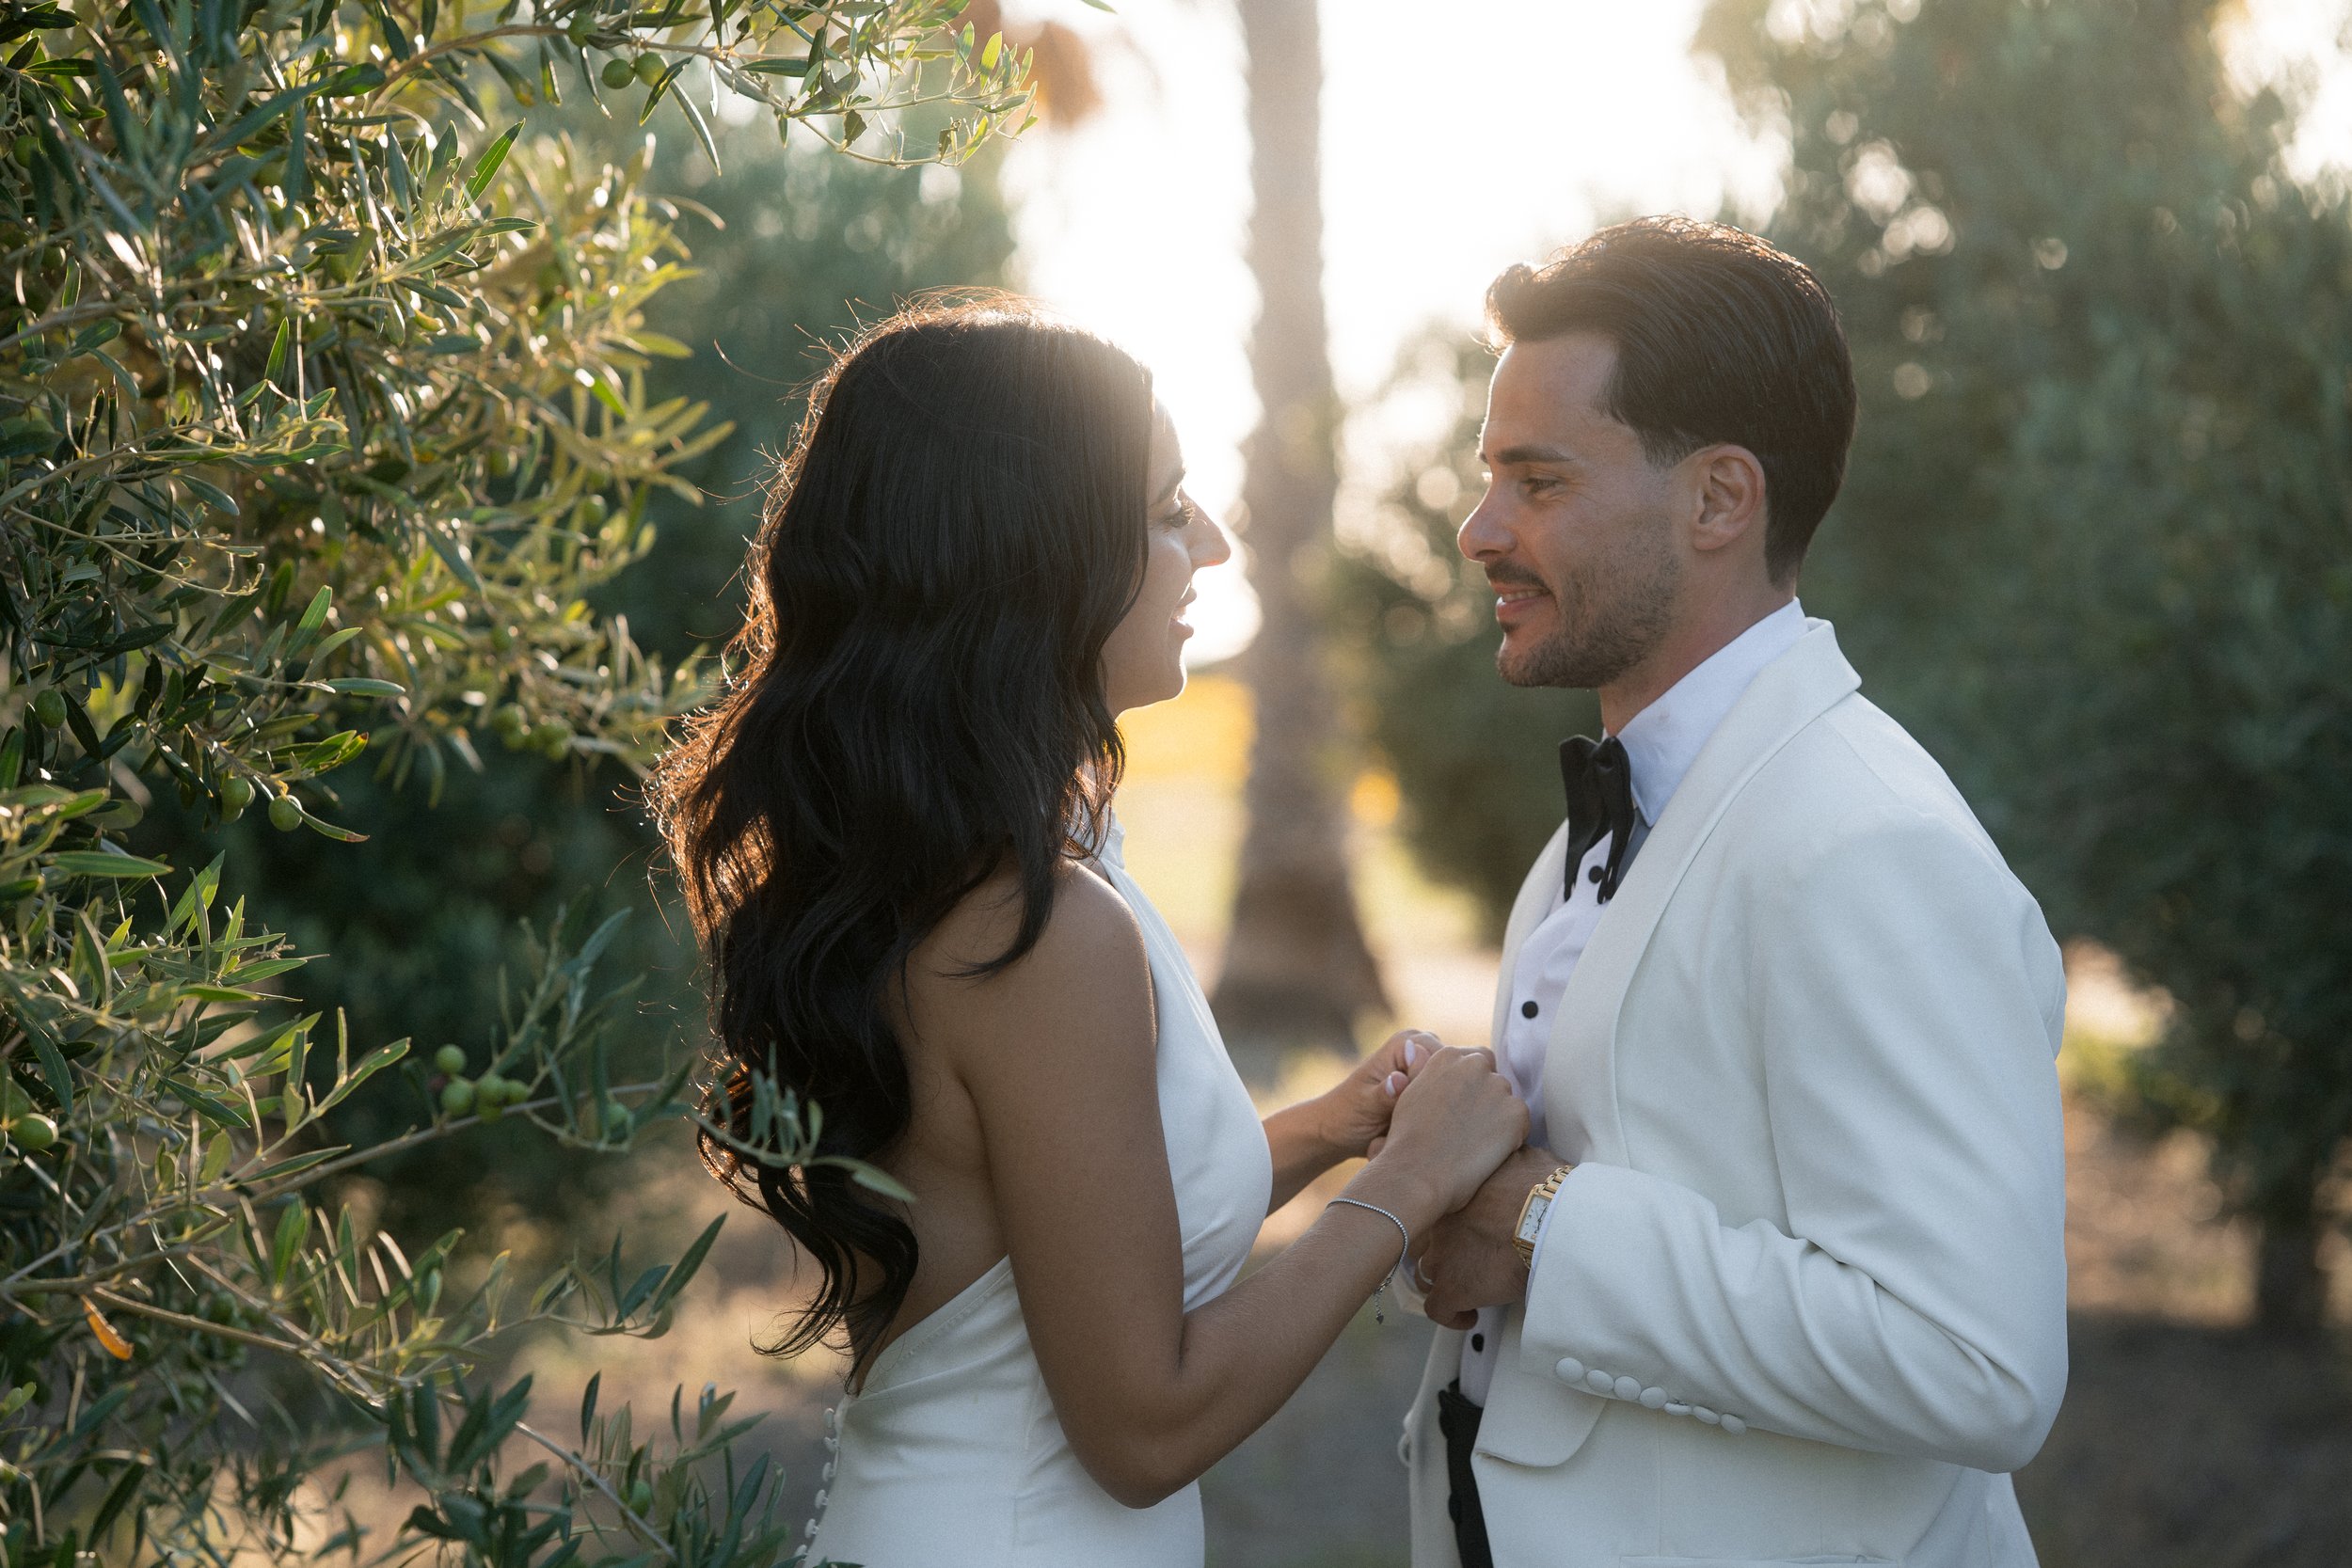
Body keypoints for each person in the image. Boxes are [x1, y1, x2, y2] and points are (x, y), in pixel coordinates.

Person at [649, 295, 1526, 1568]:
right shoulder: (1035, 931)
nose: (1214, 544)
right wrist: (1409, 1184)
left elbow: (1065, 1230)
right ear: (1030, 559)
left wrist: (1334, 1130)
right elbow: (1145, 1426)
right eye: (1167, 512)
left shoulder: (964, 875)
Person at [1396, 218, 2070, 1568]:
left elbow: (1975, 1360)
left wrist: (1538, 1224)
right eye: (1488, 479)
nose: (1480, 532)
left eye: (1539, 482)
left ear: (1718, 501)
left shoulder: (1871, 844)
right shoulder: (1594, 829)